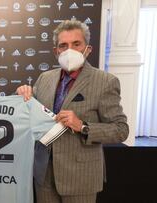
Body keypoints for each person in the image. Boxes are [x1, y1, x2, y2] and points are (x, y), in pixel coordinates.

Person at [16, 19, 129, 203]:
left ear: (88, 49)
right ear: (56, 51)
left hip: (80, 178)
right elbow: (30, 115)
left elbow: (121, 129)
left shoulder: (106, 82)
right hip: (44, 175)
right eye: (63, 45)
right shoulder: (44, 78)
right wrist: (23, 95)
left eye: (76, 44)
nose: (69, 50)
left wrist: (83, 126)